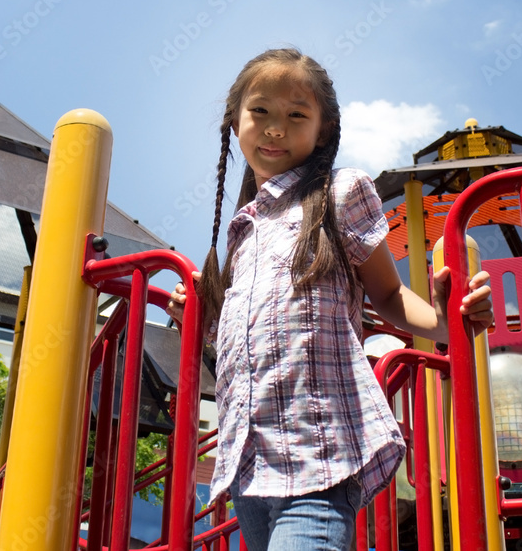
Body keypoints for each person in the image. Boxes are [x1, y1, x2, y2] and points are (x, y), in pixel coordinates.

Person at [166, 48, 493, 551]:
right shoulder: (242, 230)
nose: (276, 128)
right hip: (250, 464)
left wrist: (448, 323)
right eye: (261, 112)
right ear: (235, 123)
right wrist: (199, 321)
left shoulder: (339, 194)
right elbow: (243, 339)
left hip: (318, 452)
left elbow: (386, 291)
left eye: (296, 115)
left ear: (323, 129)